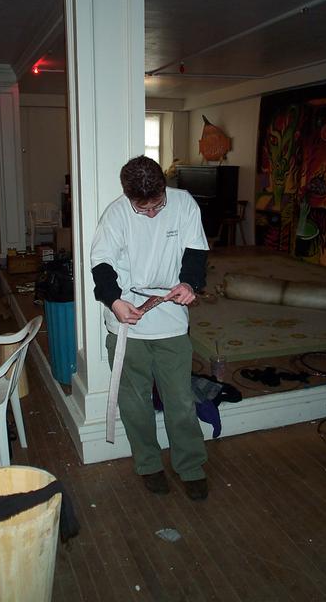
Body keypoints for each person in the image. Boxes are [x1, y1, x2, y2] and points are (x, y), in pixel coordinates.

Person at [90, 155, 209, 500]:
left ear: (164, 189)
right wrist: (114, 301)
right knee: (134, 402)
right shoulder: (116, 214)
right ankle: (148, 464)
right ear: (129, 197)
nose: (153, 214)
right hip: (126, 320)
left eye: (158, 205)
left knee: (181, 400)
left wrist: (189, 284)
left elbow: (196, 252)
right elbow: (101, 264)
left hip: (171, 319)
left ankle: (190, 466)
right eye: (144, 209)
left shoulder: (184, 204)